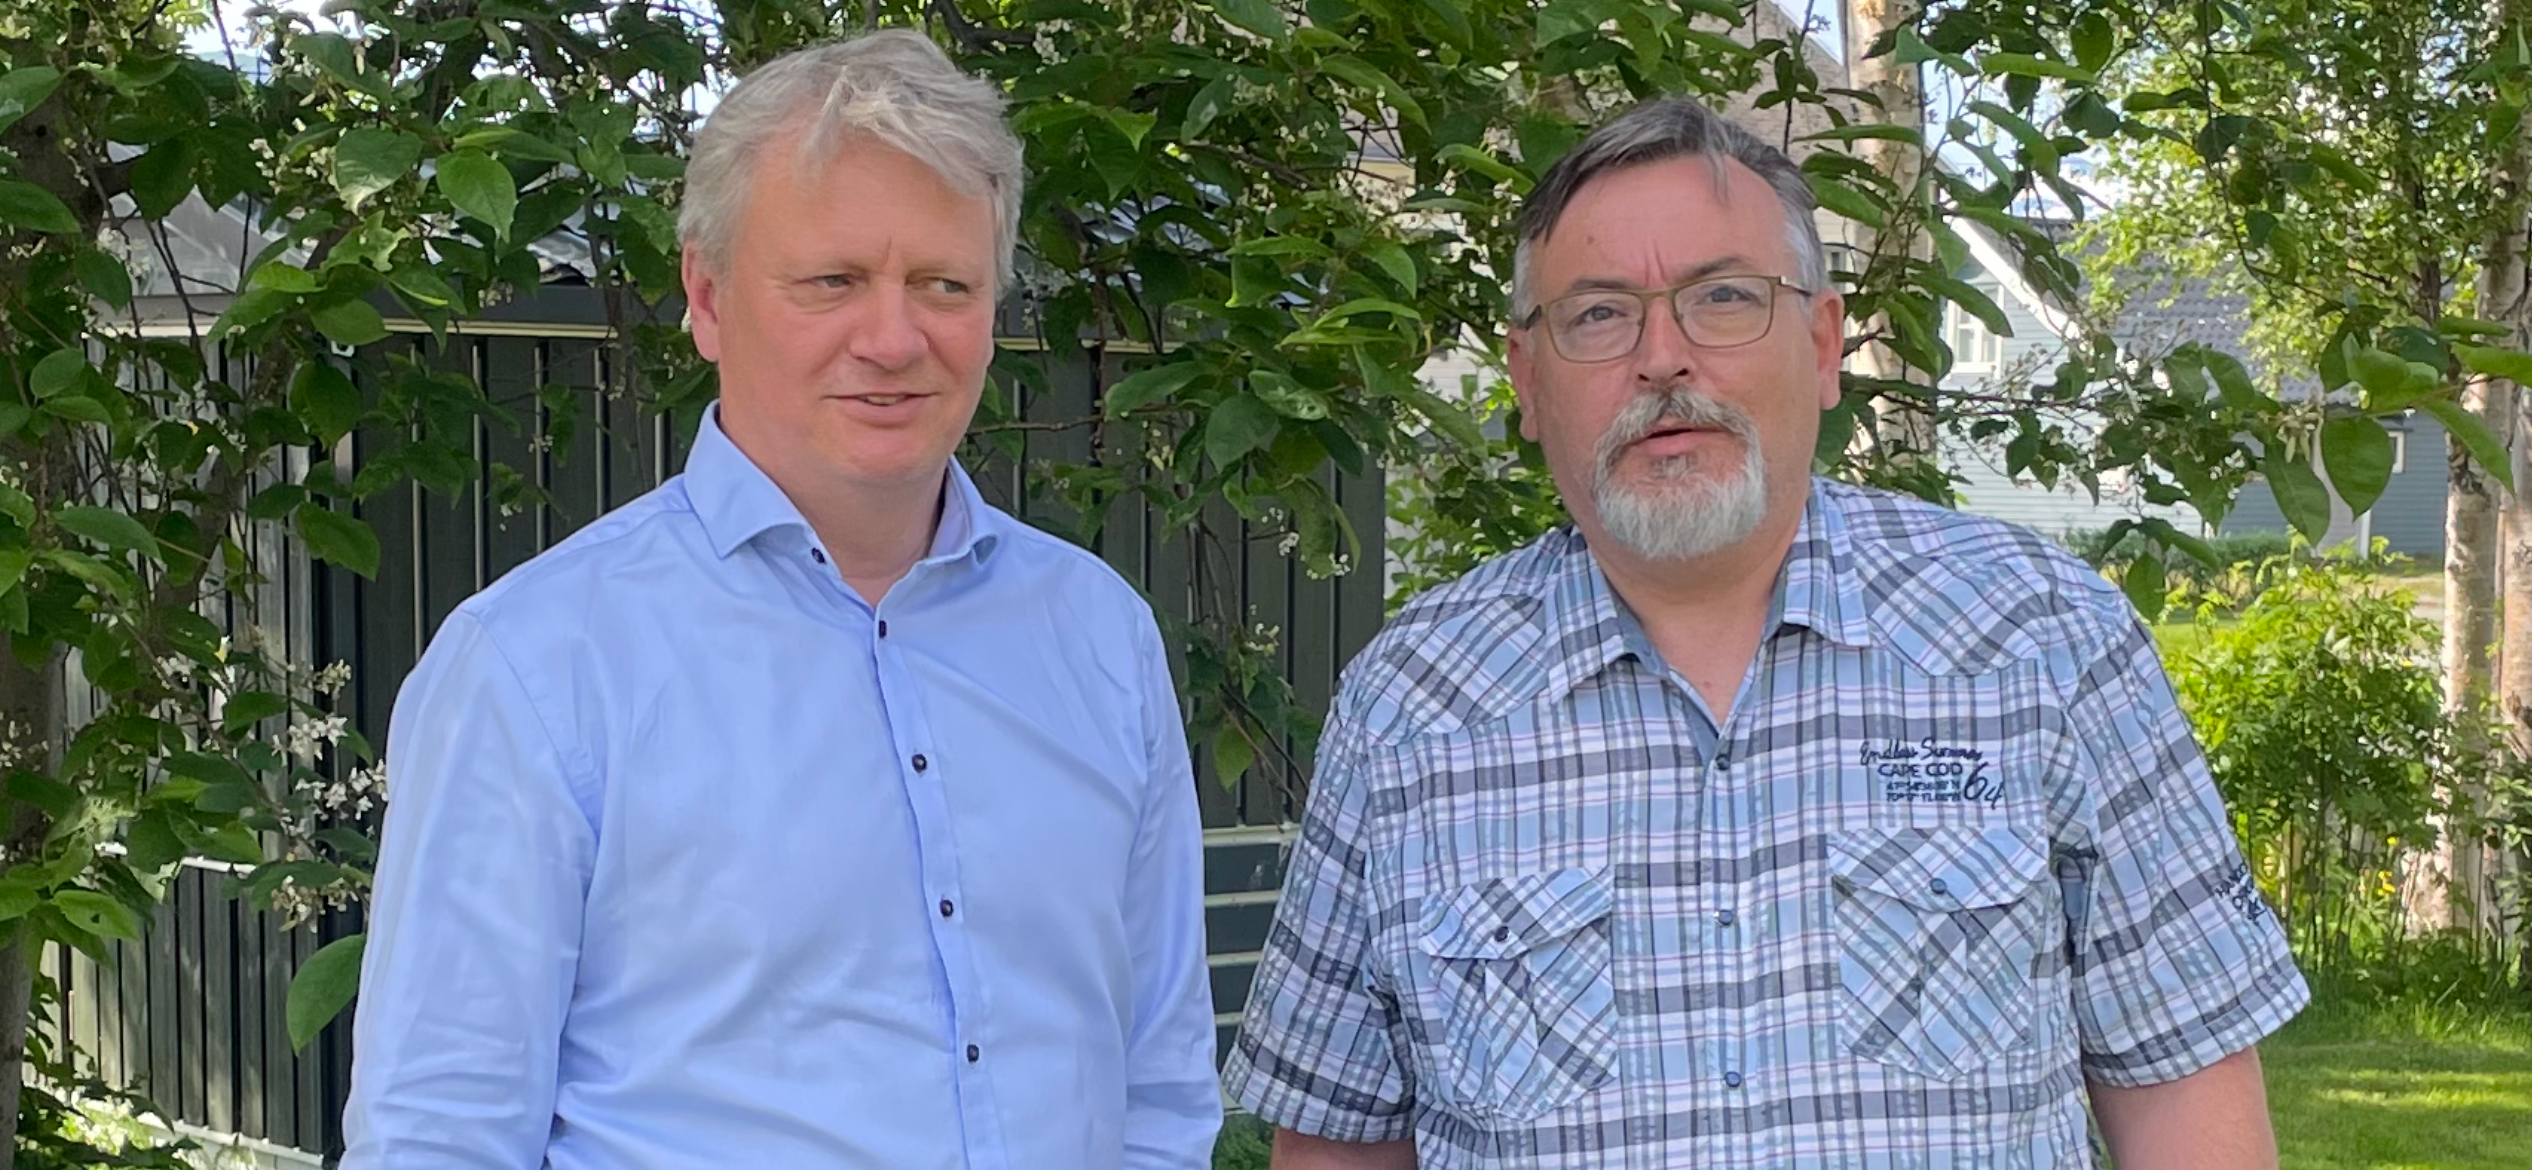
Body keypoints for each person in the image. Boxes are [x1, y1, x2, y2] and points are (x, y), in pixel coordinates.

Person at [1223, 96, 2304, 1169]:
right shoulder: (1409, 709)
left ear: (1825, 345)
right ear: (1527, 380)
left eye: (1724, 297)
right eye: (1598, 314)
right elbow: (1339, 1148)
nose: (1662, 357)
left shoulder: (2043, 638)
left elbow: (2187, 1100)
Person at [340, 30, 1221, 1170]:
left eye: (944, 285)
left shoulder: (1099, 636)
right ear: (707, 299)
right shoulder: (537, 666)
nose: (893, 339)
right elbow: (438, 1136)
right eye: (833, 282)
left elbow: (1158, 1090)